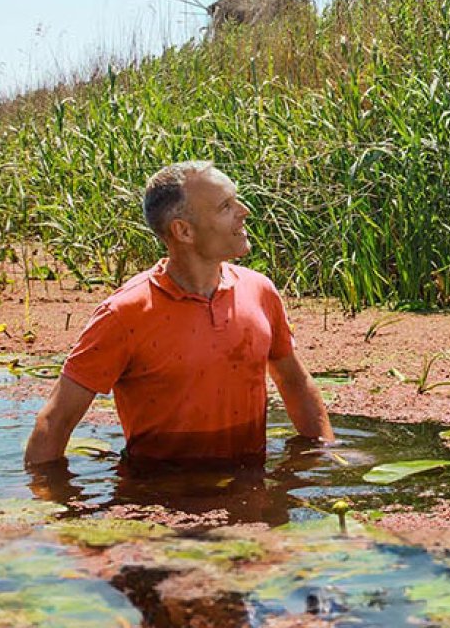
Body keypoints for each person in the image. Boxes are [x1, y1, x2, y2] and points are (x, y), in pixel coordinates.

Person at [22, 161, 332, 469]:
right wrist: (52, 507)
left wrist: (326, 455)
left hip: (250, 488)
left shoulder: (259, 290)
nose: (244, 211)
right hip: (159, 499)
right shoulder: (124, 314)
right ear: (183, 231)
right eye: (226, 206)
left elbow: (294, 382)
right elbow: (55, 421)